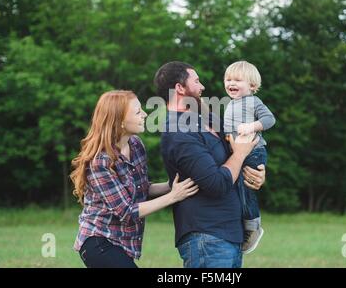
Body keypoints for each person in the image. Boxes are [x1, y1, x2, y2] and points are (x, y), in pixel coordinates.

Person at [154, 61, 267, 268]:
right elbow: (216, 184)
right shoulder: (178, 132)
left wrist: (257, 171)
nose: (202, 86)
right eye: (196, 81)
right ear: (180, 88)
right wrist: (240, 155)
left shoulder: (206, 119)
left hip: (231, 234)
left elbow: (237, 150)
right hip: (206, 237)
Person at [70, 90, 198, 268]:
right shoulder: (100, 161)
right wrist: (173, 196)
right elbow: (127, 212)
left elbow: (142, 189)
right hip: (99, 241)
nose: (145, 114)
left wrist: (173, 185)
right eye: (138, 112)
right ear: (120, 121)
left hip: (123, 244)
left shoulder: (136, 145)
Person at [223, 60, 276, 254]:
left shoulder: (253, 102)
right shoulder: (230, 103)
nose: (231, 83)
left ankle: (253, 227)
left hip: (253, 150)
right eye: (228, 79)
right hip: (238, 152)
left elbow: (270, 119)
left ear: (252, 86)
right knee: (235, 189)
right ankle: (241, 224)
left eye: (237, 80)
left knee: (246, 189)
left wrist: (251, 126)